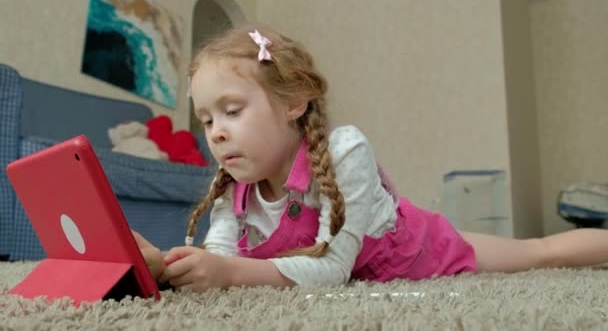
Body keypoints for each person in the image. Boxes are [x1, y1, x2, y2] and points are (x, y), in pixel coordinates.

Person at [133, 25, 608, 293]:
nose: (215, 132)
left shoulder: (345, 150)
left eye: (232, 111)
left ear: (295, 101)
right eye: (206, 119)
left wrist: (231, 273)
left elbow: (332, 269)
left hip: (420, 248)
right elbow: (221, 259)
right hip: (373, 265)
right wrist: (175, 266)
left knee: (539, 253)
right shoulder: (231, 188)